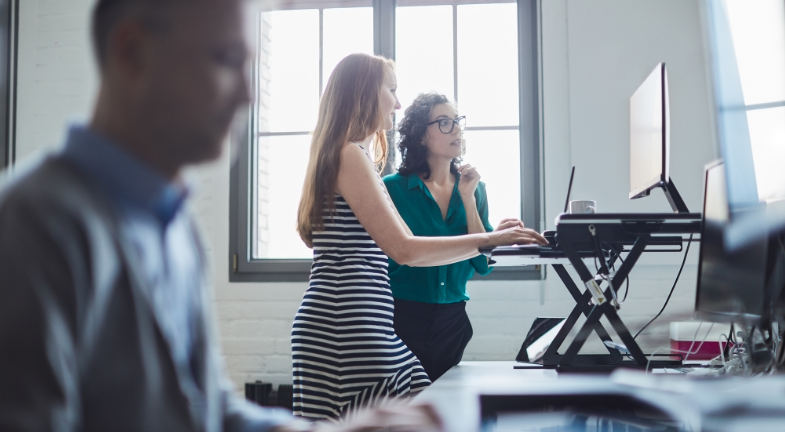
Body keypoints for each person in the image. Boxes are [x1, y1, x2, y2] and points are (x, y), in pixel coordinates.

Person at [0, 1, 441, 431]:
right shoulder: (35, 225)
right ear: (131, 52)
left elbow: (203, 408)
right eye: (226, 59)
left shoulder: (176, 229)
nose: (248, 94)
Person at [292, 54, 547, 422]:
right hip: (344, 327)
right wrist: (490, 240)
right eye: (391, 90)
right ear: (364, 93)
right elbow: (405, 249)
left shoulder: (353, 155)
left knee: (426, 414)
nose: (397, 103)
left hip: (361, 323)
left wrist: (487, 237)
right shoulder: (350, 154)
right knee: (424, 417)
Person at [382, 92, 525, 382]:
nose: (457, 129)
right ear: (421, 136)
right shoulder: (391, 189)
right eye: (444, 123)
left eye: (457, 121)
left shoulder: (474, 187)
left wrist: (469, 199)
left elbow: (482, 265)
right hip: (403, 317)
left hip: (453, 320)